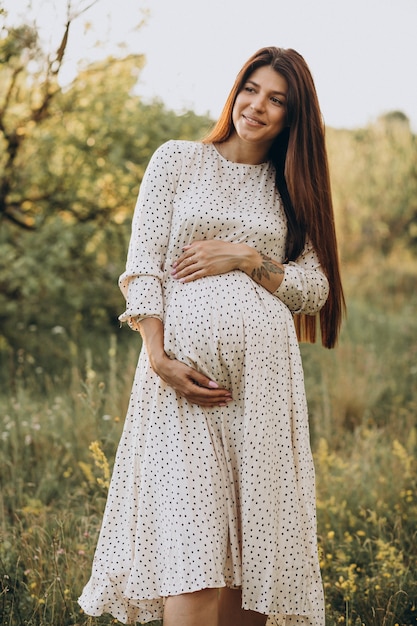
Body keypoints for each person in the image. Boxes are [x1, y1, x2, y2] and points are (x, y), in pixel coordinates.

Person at [79, 46, 344, 626]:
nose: (258, 106)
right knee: (192, 561)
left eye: (278, 100)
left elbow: (314, 289)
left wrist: (248, 258)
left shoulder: (293, 188)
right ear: (235, 90)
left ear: (294, 116)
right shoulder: (177, 161)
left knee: (252, 574)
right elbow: (143, 265)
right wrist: (156, 355)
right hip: (180, 386)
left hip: (264, 392)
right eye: (251, 88)